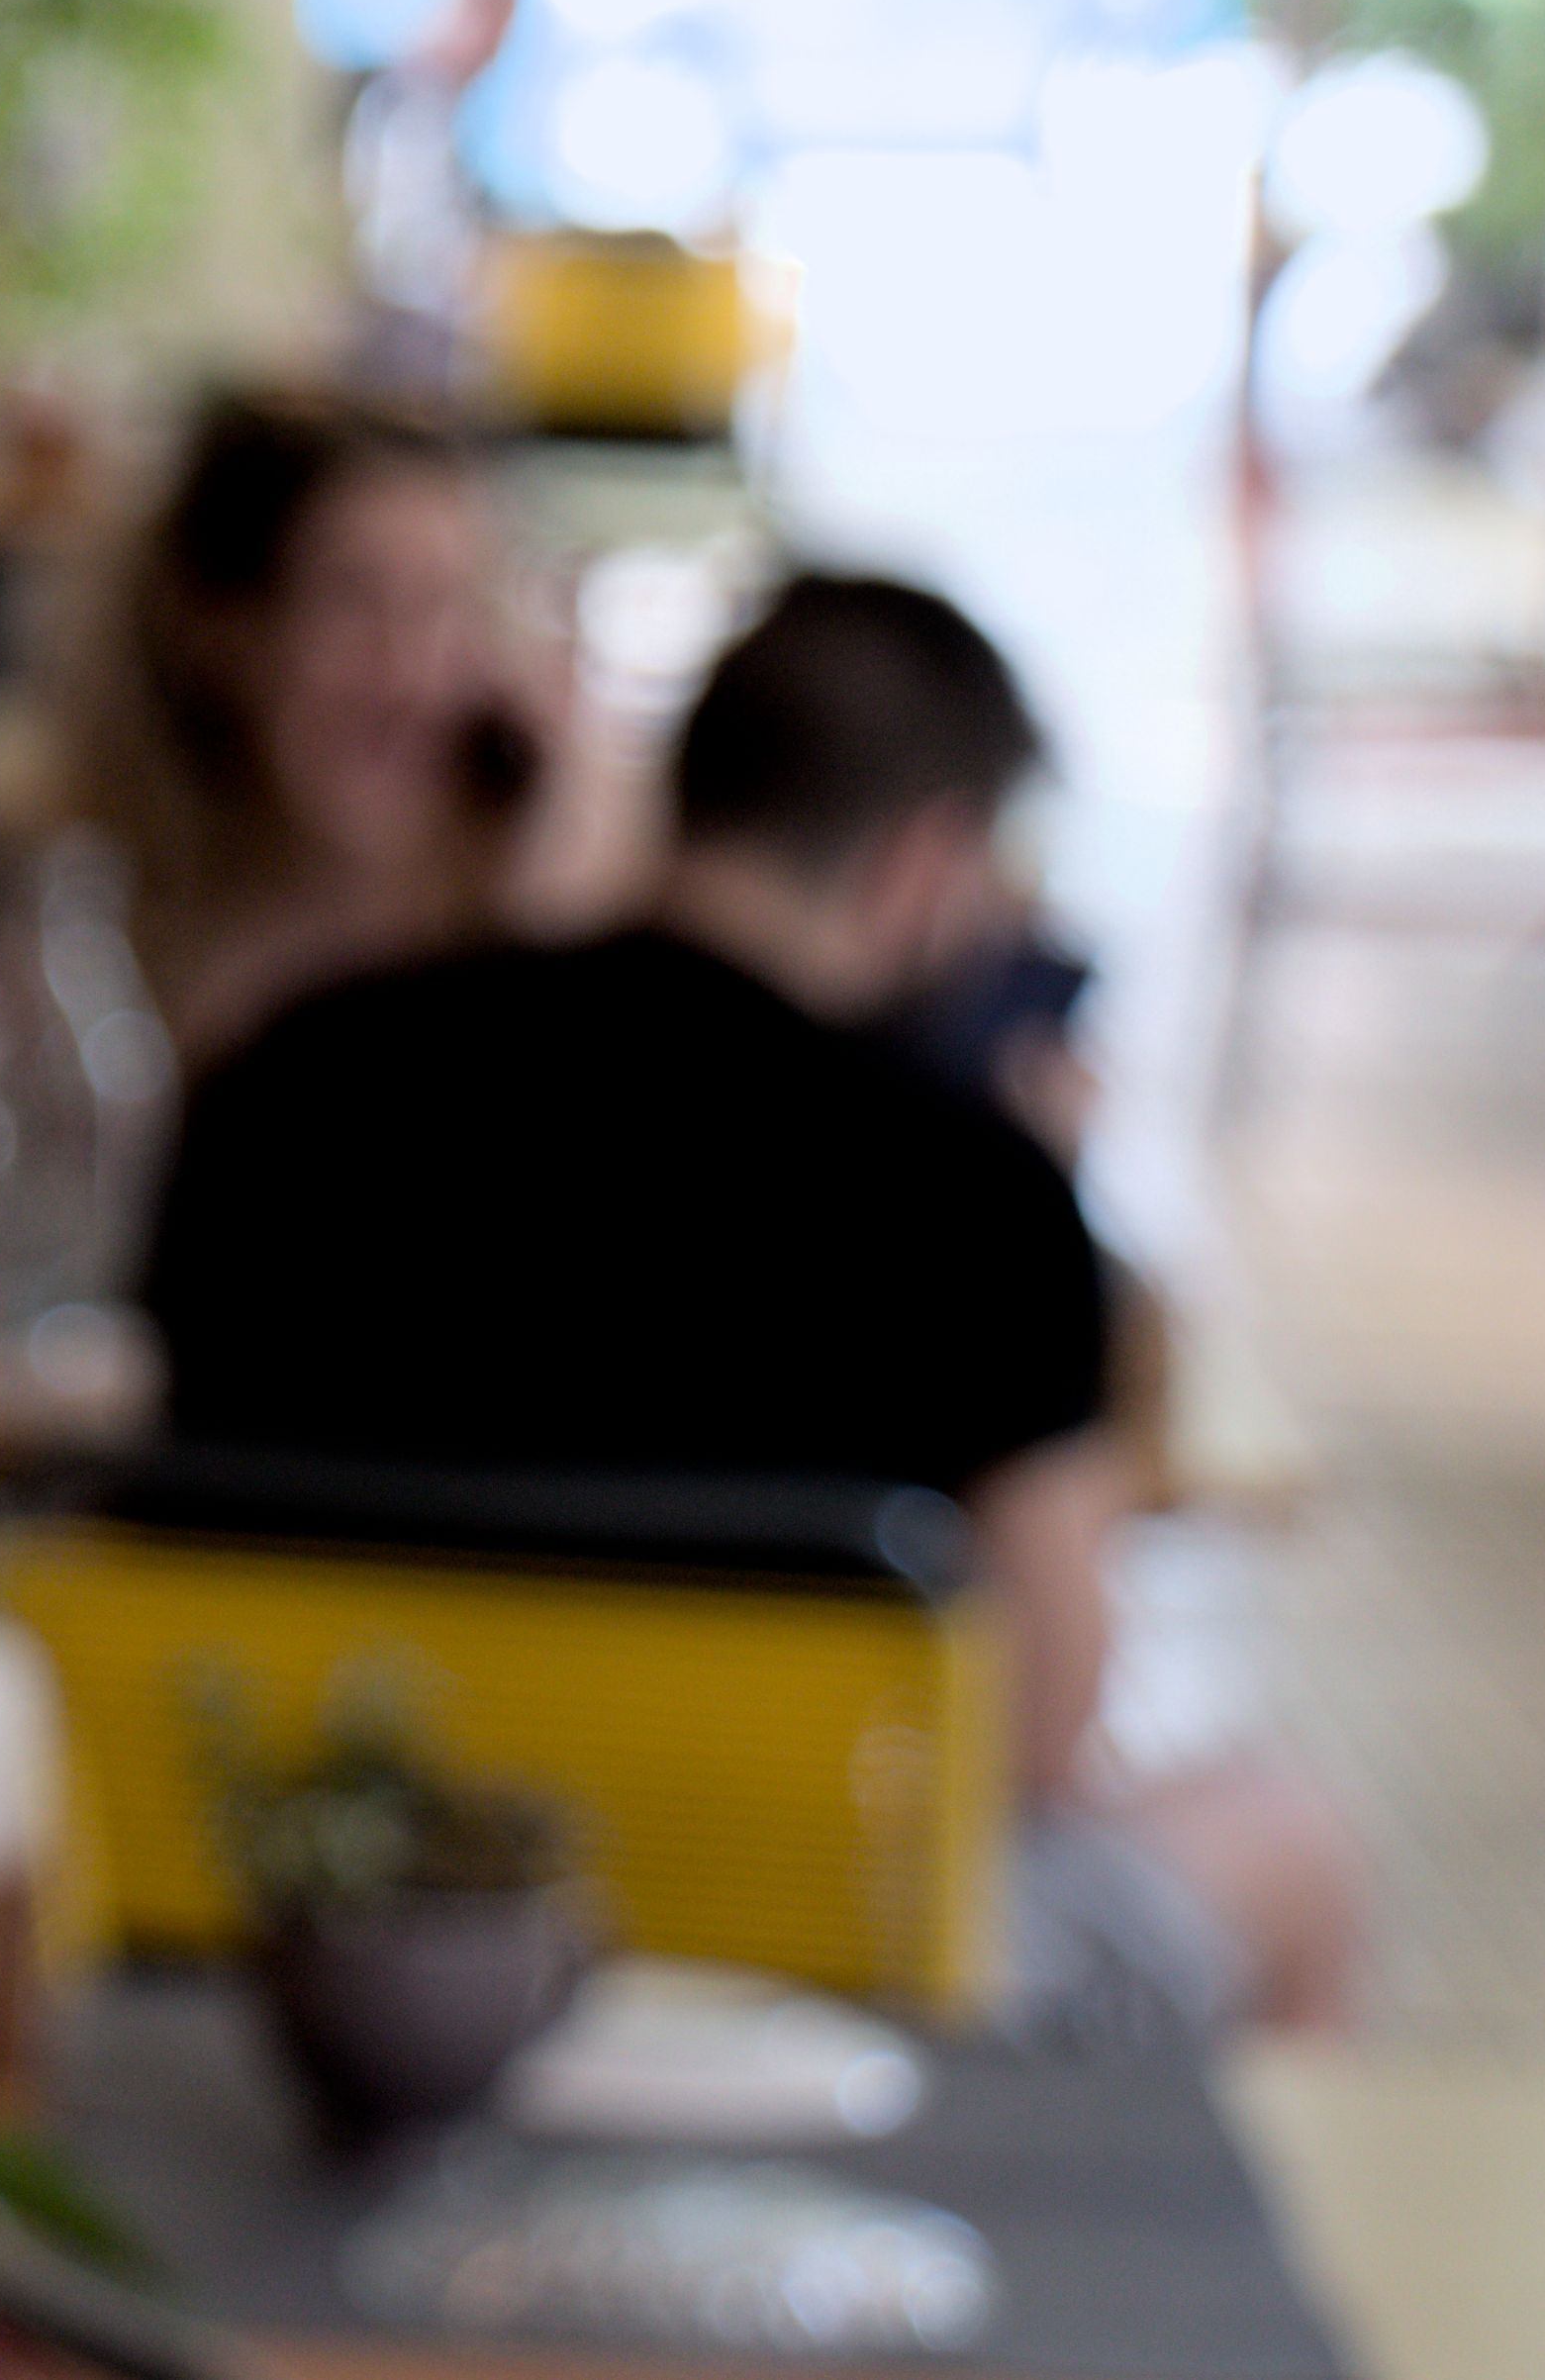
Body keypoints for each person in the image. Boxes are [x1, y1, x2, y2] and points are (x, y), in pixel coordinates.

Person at [137, 574, 1354, 2045]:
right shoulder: (977, 1188)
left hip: (298, 1891)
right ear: (924, 862)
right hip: (813, 1951)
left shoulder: (287, 1077)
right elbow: (1042, 1729)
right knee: (1285, 1841)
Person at [70, 390, 549, 1071]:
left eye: (450, 606)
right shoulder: (92, 966)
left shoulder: (537, 956)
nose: (413, 673)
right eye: (351, 600)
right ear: (217, 626)